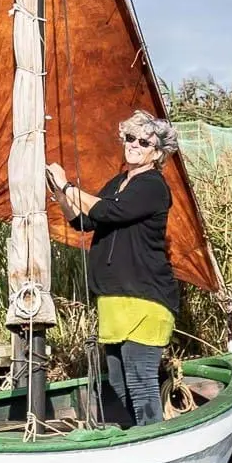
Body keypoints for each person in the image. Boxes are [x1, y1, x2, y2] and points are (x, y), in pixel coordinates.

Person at [46, 111, 180, 428]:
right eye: (130, 138)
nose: (134, 145)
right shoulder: (119, 182)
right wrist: (60, 195)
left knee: (140, 380)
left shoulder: (153, 186)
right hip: (114, 302)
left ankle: (152, 441)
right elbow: (86, 221)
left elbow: (110, 211)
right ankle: (138, 439)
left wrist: (67, 185)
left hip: (145, 300)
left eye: (144, 142)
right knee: (119, 383)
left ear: (157, 153)